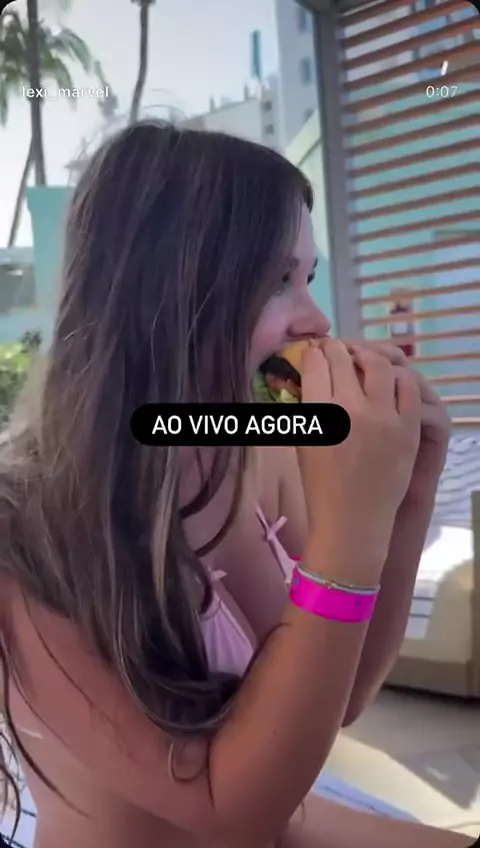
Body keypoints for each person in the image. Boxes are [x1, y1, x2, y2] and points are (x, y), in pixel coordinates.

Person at [0, 122, 470, 848]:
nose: (316, 320)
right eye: (277, 280)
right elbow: (230, 812)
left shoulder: (261, 447)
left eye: (307, 277)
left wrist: (407, 498)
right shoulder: (26, 526)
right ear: (166, 292)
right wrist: (350, 527)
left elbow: (338, 699)